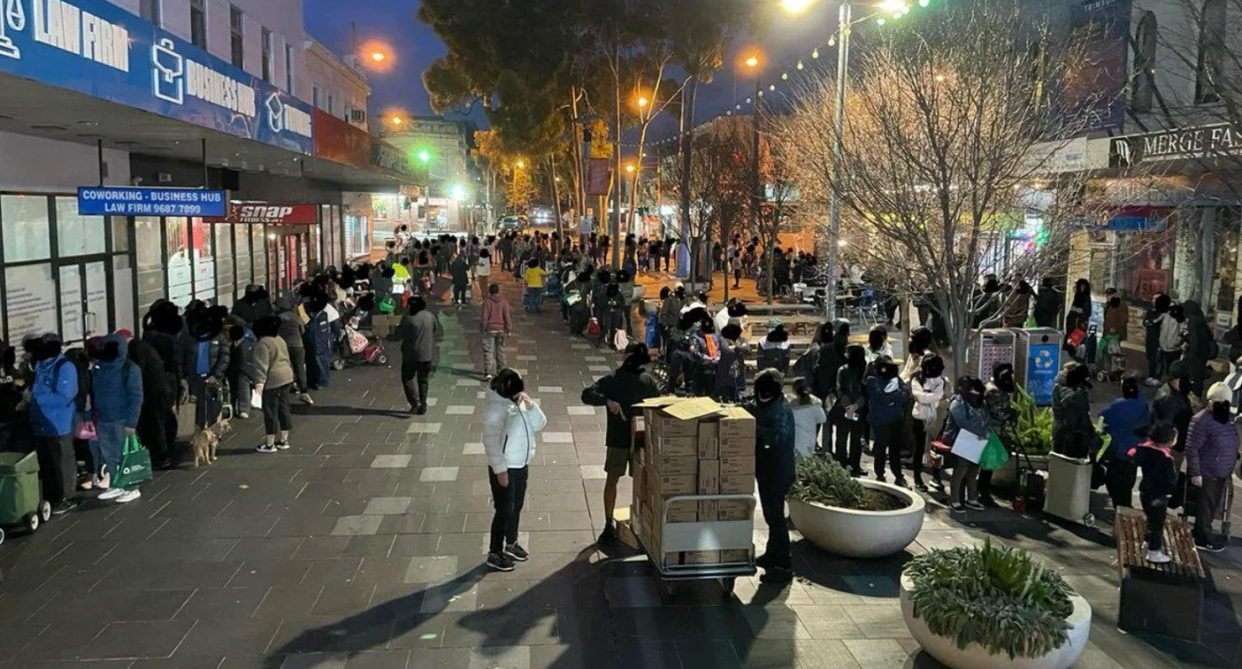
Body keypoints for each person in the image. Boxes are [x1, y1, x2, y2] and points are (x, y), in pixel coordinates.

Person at [581, 344, 661, 543]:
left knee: (614, 479)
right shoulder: (648, 381)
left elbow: (588, 394)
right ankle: (640, 521)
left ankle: (610, 523)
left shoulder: (614, 380)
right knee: (639, 481)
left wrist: (607, 400)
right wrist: (608, 401)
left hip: (621, 439)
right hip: (641, 440)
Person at [481, 368, 545, 572]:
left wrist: (530, 404)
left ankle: (511, 543)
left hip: (521, 463)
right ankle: (494, 552)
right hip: (505, 467)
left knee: (516, 506)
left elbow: (540, 424)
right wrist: (500, 470)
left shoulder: (519, 404)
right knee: (503, 510)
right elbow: (490, 441)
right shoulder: (495, 409)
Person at [747, 369, 796, 585]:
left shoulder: (781, 410)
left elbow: (775, 438)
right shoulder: (767, 403)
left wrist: (756, 430)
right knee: (770, 515)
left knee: (776, 517)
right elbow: (753, 407)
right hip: (766, 469)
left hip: (779, 470)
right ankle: (771, 554)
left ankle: (783, 565)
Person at [88, 334, 144, 504]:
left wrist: (131, 422)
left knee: (126, 454)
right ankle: (117, 483)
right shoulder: (99, 367)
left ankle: (131, 487)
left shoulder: (130, 368)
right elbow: (95, 391)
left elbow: (136, 397)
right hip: (103, 419)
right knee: (110, 454)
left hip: (122, 419)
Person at [1186, 382, 1239, 552]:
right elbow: (1192, 447)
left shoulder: (1223, 418)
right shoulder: (1201, 420)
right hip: (1208, 471)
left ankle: (1201, 533)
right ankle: (1203, 538)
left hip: (1220, 471)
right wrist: (1196, 473)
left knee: (1211, 505)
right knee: (1206, 507)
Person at [30, 335, 80, 515]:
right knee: (48, 462)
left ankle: (66, 496)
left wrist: (35, 399)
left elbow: (64, 396)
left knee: (61, 460)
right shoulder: (41, 366)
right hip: (42, 422)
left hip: (59, 423)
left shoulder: (65, 367)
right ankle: (53, 497)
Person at [1128, 422, 1179, 564]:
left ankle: (1147, 540)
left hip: (1145, 491)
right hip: (1158, 495)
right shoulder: (1165, 459)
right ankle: (1153, 551)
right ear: (1169, 440)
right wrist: (1170, 493)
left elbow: (1134, 456)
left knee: (1151, 518)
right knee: (1157, 523)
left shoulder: (1144, 450)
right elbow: (1169, 480)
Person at [123, 328, 173, 471]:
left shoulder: (137, 350)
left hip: (153, 392)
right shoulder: (142, 347)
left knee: (155, 425)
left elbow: (138, 370)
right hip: (158, 391)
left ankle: (161, 456)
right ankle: (162, 455)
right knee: (158, 424)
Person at [1099, 377, 1151, 509]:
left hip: (1120, 452)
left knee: (1115, 485)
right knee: (1127, 486)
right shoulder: (1143, 404)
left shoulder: (1120, 405)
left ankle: (1122, 515)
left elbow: (1104, 415)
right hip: (1134, 452)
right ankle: (1125, 511)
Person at [179, 306, 231, 431]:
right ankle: (198, 431)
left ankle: (212, 432)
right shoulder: (188, 338)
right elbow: (180, 357)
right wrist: (182, 377)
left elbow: (224, 358)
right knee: (197, 407)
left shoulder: (218, 337)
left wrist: (216, 375)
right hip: (194, 377)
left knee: (214, 406)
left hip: (212, 378)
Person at [944, 376, 990, 512]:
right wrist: (980, 431)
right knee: (960, 470)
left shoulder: (980, 402)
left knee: (973, 470)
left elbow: (987, 417)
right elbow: (962, 422)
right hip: (961, 439)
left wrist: (984, 431)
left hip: (978, 439)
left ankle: (972, 499)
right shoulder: (957, 402)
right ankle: (954, 500)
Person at [252, 315, 295, 454]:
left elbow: (261, 365)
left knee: (270, 411)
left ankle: (270, 443)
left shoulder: (263, 343)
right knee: (284, 408)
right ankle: (283, 440)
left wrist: (259, 382)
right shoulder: (280, 339)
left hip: (273, 379)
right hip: (287, 376)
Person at [866, 355, 910, 485]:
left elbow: (906, 394)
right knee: (881, 447)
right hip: (880, 420)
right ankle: (880, 473)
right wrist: (896, 395)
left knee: (895, 448)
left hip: (896, 417)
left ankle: (898, 474)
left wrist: (892, 396)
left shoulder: (895, 378)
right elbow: (882, 397)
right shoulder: (872, 379)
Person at [397, 295, 442, 415]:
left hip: (410, 355)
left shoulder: (407, 318)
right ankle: (423, 403)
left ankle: (414, 403)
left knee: (407, 378)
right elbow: (435, 329)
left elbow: (398, 334)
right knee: (423, 380)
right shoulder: (430, 316)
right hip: (426, 355)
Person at [910, 355, 947, 492]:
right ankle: (917, 477)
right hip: (919, 418)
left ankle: (936, 477)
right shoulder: (917, 379)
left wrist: (928, 395)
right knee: (919, 449)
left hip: (936, 418)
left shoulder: (941, 381)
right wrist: (932, 396)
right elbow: (921, 397)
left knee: (936, 449)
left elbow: (935, 396)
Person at [833, 344, 868, 476]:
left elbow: (839, 390)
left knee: (842, 437)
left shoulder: (843, 370)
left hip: (844, 409)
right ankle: (855, 466)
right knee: (856, 438)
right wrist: (856, 406)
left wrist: (848, 407)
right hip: (859, 409)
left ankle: (842, 465)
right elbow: (865, 393)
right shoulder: (864, 370)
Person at [1052, 362, 1094, 459]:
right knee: (1066, 458)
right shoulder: (1066, 389)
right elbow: (1071, 403)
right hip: (1068, 431)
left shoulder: (1062, 386)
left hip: (1063, 429)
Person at [276, 295, 313, 405]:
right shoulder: (296, 317)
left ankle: (287, 388)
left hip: (283, 346)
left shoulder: (277, 318)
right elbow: (302, 331)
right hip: (297, 346)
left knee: (286, 367)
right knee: (300, 368)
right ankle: (304, 392)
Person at [224, 316, 257, 420]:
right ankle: (242, 407)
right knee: (243, 387)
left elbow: (239, 358)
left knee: (242, 386)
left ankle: (243, 408)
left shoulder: (241, 342)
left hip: (242, 368)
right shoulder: (248, 336)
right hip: (248, 366)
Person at [1182, 300, 1214, 396]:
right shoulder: (1201, 318)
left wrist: (1185, 337)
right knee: (1198, 377)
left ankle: (1194, 398)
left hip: (1196, 354)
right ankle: (1196, 396)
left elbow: (1195, 339)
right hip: (1203, 352)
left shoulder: (1193, 320)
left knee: (1194, 377)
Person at [791, 378, 827, 459]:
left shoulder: (791, 407)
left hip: (796, 441)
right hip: (810, 440)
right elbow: (823, 419)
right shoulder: (815, 405)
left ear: (794, 390)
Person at [481, 283, 511, 380]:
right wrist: (509, 328)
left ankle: (489, 372)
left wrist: (483, 328)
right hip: (501, 329)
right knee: (501, 351)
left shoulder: (487, 302)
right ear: (498, 291)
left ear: (490, 292)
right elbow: (507, 316)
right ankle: (501, 371)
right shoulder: (504, 302)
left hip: (489, 329)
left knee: (488, 351)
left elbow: (484, 317)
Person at [715, 323, 749, 402]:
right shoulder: (723, 339)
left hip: (738, 373)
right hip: (726, 374)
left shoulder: (742, 339)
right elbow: (726, 350)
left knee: (738, 397)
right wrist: (740, 349)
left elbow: (747, 349)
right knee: (725, 397)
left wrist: (736, 347)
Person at [1144, 294, 1172, 385]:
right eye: (1153, 298)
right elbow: (1145, 321)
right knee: (1150, 357)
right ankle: (1151, 375)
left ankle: (1157, 377)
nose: (1154, 301)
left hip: (1160, 339)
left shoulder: (1165, 313)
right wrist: (1147, 322)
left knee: (1158, 359)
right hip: (1150, 338)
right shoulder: (1151, 311)